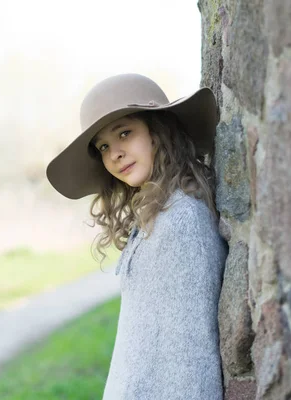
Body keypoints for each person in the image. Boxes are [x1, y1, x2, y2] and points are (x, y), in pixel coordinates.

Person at [46, 73, 228, 400]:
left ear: (157, 132)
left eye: (125, 133)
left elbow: (189, 356)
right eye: (103, 146)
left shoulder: (181, 219)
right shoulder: (158, 216)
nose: (114, 153)